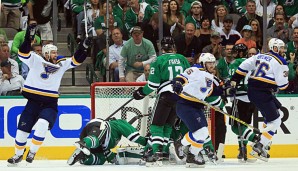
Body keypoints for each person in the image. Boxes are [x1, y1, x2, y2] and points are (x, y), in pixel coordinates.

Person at [7, 22, 91, 165]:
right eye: (53, 52)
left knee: (42, 124)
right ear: (46, 53)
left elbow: (76, 60)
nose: (56, 54)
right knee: (22, 129)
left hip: (49, 103)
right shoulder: (36, 60)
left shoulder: (60, 64)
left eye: (56, 52)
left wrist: (84, 47)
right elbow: (22, 52)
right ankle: (18, 155)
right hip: (32, 102)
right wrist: (29, 37)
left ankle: (32, 152)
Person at [132, 37, 190, 166]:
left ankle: (156, 152)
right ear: (173, 46)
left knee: (156, 126)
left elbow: (152, 85)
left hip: (166, 95)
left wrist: (140, 92)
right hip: (180, 97)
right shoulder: (182, 59)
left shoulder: (159, 60)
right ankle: (163, 152)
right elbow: (189, 78)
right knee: (167, 126)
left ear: (161, 48)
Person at [171, 53, 235, 167]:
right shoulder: (195, 69)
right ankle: (180, 144)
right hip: (185, 104)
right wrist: (177, 83)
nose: (212, 65)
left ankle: (192, 156)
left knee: (204, 133)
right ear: (202, 63)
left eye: (213, 63)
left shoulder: (211, 77)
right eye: (209, 63)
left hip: (197, 106)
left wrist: (226, 90)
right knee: (200, 132)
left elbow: (214, 91)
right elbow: (180, 78)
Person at [231, 38, 289, 162]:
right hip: (262, 92)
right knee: (276, 121)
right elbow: (282, 85)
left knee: (276, 110)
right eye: (281, 47)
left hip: (253, 90)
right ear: (275, 48)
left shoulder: (260, 56)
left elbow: (243, 66)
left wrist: (235, 79)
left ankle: (264, 142)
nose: (283, 50)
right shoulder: (281, 61)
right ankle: (259, 145)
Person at [67, 118, 147, 166]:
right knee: (97, 138)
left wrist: (115, 157)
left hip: (95, 142)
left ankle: (83, 157)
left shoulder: (113, 137)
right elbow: (135, 137)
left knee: (100, 160)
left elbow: (109, 157)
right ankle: (84, 144)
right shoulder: (119, 123)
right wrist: (147, 143)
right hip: (98, 127)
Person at [227, 44, 259, 162]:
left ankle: (256, 139)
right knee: (244, 126)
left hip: (240, 98)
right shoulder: (253, 63)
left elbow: (232, 82)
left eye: (235, 52)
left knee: (235, 127)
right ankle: (242, 151)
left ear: (239, 53)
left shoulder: (234, 63)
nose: (233, 54)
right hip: (252, 99)